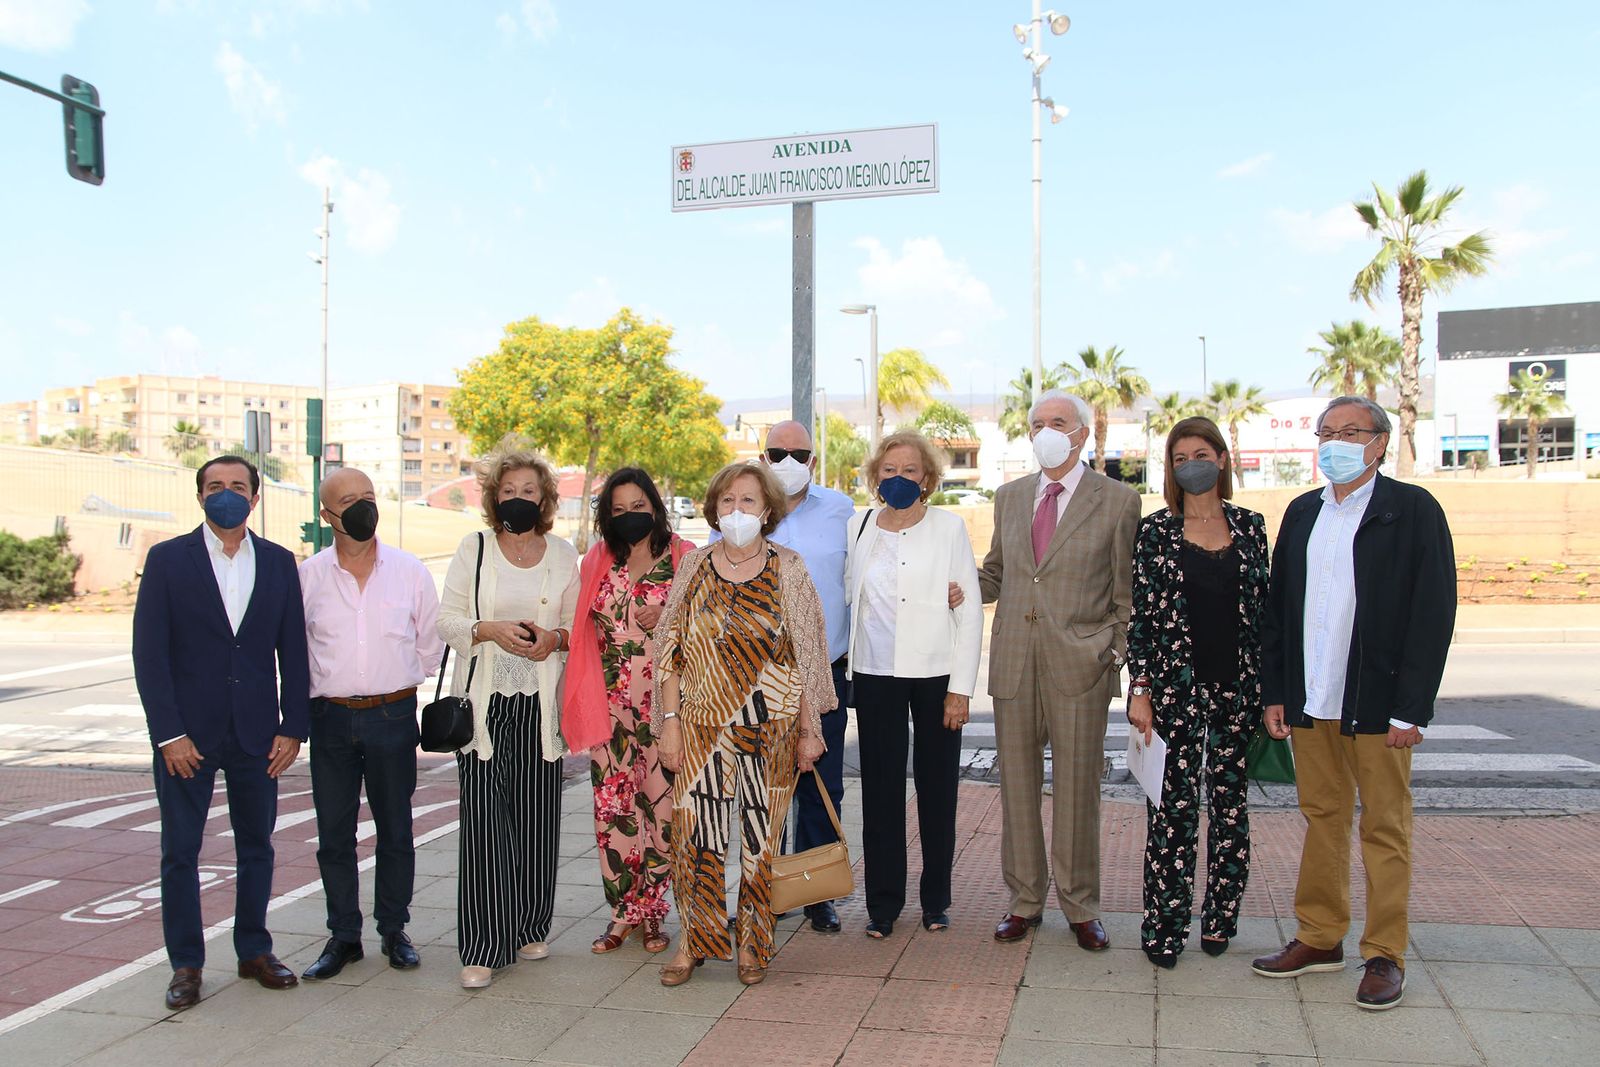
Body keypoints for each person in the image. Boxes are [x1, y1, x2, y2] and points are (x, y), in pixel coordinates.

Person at [1252, 396, 1456, 1011]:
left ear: (1380, 443)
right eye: (1327, 432)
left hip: (1378, 703)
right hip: (1314, 698)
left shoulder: (1411, 510)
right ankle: (1320, 937)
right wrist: (1277, 691)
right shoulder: (1302, 512)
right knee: (1323, 817)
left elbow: (1432, 612)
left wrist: (1411, 708)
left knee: (1385, 826)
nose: (1336, 442)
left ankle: (1384, 954)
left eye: (1351, 432)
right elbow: (1280, 611)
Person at [132, 455, 310, 1010]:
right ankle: (186, 964)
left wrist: (292, 727)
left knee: (257, 846)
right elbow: (149, 654)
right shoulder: (167, 561)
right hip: (187, 738)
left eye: (238, 486)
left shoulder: (281, 563)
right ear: (200, 496)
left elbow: (294, 653)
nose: (226, 494)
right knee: (180, 852)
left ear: (255, 499)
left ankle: (254, 950)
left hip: (258, 735)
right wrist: (168, 734)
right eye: (215, 487)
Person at [652, 461, 835, 988]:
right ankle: (694, 941)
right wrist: (669, 723)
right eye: (727, 501)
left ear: (769, 510)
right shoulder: (694, 567)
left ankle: (753, 945)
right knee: (695, 840)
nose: (737, 510)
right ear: (714, 508)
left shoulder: (790, 567)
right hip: (700, 727)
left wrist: (808, 730)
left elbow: (806, 654)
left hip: (771, 729)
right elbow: (670, 652)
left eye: (749, 501)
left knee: (760, 843)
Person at [979, 390, 1139, 951]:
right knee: (1017, 787)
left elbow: (1127, 592)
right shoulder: (1009, 496)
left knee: (1077, 790)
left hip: (1081, 667)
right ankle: (1024, 900)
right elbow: (997, 573)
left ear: (1082, 434)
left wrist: (1109, 651)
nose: (1046, 430)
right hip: (1014, 663)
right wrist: (947, 586)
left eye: (1058, 422)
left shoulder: (1118, 500)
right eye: (1037, 423)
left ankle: (1080, 903)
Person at [1125, 417, 1270, 968]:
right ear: (1171, 468)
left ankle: (1219, 920)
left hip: (1239, 692)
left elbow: (1267, 618)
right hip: (1172, 695)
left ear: (1224, 459)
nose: (1193, 464)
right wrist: (1139, 690)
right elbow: (1141, 619)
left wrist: (1272, 693)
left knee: (1231, 812)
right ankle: (1163, 927)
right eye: (1181, 457)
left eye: (1202, 452)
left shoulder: (1252, 528)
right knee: (1171, 814)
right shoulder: (1155, 532)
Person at [436, 438, 579, 989]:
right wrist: (485, 629)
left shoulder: (564, 554)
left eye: (529, 490)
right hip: (483, 706)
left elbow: (573, 628)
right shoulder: (473, 550)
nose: (518, 497)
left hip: (541, 707)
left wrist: (553, 639)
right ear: (493, 496)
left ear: (544, 498)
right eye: (508, 489)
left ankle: (528, 924)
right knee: (483, 828)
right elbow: (446, 621)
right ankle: (481, 945)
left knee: (536, 822)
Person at [297, 467, 443, 980]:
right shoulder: (308, 577)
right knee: (334, 834)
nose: (362, 507)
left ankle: (393, 929)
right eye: (348, 500)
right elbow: (296, 653)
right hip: (330, 720)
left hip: (393, 714)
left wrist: (393, 681)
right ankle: (343, 936)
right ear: (326, 515)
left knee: (395, 829)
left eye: (368, 497)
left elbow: (431, 645)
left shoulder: (409, 571)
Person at [846, 431, 982, 938]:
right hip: (876, 675)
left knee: (937, 790)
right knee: (880, 793)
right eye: (888, 470)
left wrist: (961, 688)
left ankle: (936, 901)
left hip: (935, 677)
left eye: (909, 470)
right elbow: (849, 592)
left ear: (926, 478)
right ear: (874, 476)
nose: (898, 478)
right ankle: (882, 906)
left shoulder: (949, 528)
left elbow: (968, 613)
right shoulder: (857, 526)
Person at [561, 467, 692, 955]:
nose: (630, 516)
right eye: (618, 510)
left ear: (655, 506)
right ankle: (622, 914)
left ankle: (655, 914)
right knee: (613, 810)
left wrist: (670, 617)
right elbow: (581, 631)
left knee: (661, 810)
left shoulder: (683, 557)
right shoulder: (596, 560)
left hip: (666, 709)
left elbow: (705, 624)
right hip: (609, 707)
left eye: (638, 507)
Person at [755, 419, 856, 932]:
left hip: (824, 673)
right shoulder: (742, 509)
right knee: (763, 787)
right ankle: (761, 888)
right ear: (762, 455)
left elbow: (865, 578)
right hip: (757, 675)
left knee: (820, 785)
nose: (789, 463)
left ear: (814, 460)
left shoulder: (841, 510)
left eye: (800, 454)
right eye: (778, 452)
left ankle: (817, 894)